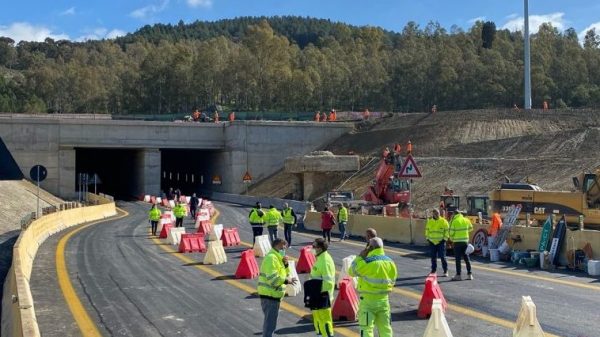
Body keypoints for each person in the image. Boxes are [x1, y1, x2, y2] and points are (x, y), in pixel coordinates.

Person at [349, 237, 397, 337]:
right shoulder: (391, 262)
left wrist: (360, 257)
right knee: (386, 329)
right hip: (384, 300)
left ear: (369, 247)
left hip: (368, 300)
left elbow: (351, 271)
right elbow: (393, 280)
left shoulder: (367, 262)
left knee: (366, 329)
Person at [258, 239, 297, 337]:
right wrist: (287, 281)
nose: (284, 249)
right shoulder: (272, 258)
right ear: (276, 246)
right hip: (270, 295)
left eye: (285, 247)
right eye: (282, 247)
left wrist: (286, 264)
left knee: (271, 323)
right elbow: (273, 279)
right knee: (270, 325)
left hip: (274, 295)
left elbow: (286, 274)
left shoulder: (278, 258)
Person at [308, 238, 336, 337]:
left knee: (325, 321)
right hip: (317, 296)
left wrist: (318, 294)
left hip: (322, 296)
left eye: (314, 246)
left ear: (320, 248)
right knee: (318, 320)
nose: (312, 248)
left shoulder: (325, 261)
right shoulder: (320, 258)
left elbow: (328, 282)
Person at [449, 210, 474, 280]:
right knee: (466, 258)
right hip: (465, 241)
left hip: (457, 242)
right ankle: (469, 274)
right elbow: (471, 228)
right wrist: (465, 232)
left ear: (454, 214)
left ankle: (458, 275)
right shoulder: (466, 220)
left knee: (458, 259)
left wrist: (452, 238)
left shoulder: (454, 221)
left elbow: (451, 233)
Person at [425, 209, 449, 277]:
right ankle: (433, 270)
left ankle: (445, 270)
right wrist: (428, 239)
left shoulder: (443, 221)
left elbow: (447, 231)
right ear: (433, 214)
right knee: (433, 257)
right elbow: (427, 230)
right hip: (432, 242)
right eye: (435, 213)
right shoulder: (430, 222)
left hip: (441, 242)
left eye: (438, 213)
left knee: (442, 257)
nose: (437, 214)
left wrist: (444, 239)